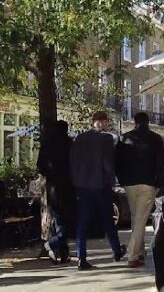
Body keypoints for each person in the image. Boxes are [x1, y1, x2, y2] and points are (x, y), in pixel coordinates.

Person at [70, 111, 124, 270]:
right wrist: (112, 180)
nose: (107, 125)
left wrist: (76, 181)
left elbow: (73, 161)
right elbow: (107, 162)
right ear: (102, 122)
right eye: (106, 122)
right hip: (101, 185)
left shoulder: (80, 138)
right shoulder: (106, 138)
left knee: (83, 222)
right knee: (108, 219)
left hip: (83, 186)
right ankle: (116, 250)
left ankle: (81, 257)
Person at [116, 111, 164, 268]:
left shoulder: (124, 138)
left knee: (136, 218)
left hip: (129, 183)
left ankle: (139, 253)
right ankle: (132, 254)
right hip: (148, 183)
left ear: (135, 121)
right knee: (141, 219)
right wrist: (159, 183)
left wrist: (122, 180)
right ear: (148, 121)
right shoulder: (156, 139)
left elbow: (117, 162)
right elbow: (160, 162)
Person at [37, 120, 74, 263]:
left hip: (52, 187)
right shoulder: (70, 144)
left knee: (59, 220)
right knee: (68, 221)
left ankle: (63, 253)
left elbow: (41, 167)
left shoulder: (47, 144)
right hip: (68, 186)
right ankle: (52, 243)